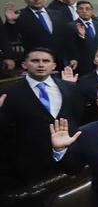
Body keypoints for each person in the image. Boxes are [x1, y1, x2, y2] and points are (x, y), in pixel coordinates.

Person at [0, 47, 85, 180]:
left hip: (70, 155)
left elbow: (78, 115)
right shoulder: (9, 93)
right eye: (35, 61)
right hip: (32, 161)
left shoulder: (70, 88)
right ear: (24, 65)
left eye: (46, 61)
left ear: (54, 65)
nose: (41, 64)